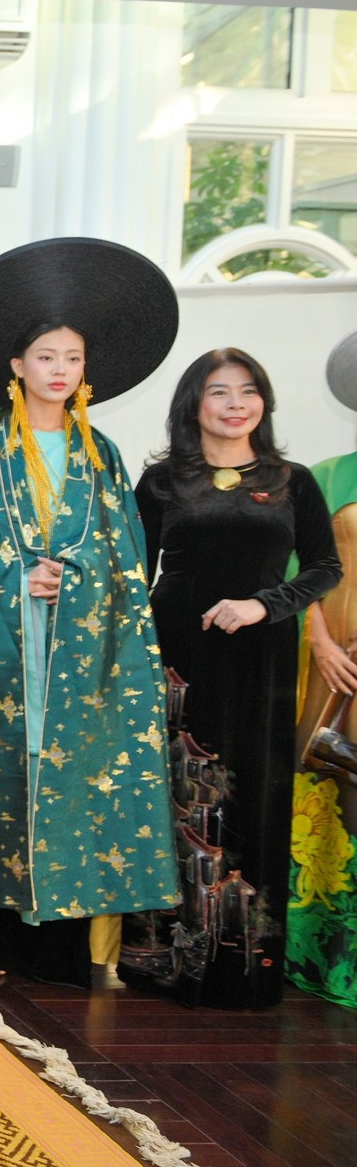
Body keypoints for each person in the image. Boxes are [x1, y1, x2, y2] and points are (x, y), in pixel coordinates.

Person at [0, 238, 179, 987]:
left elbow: (127, 559)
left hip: (80, 660)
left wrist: (74, 578)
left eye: (72, 358)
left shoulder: (102, 455)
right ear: (17, 365)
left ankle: (56, 953)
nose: (59, 369)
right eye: (46, 355)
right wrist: (18, 576)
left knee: (74, 784)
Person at [116, 350, 340, 1008]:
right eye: (219, 391)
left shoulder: (292, 480)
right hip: (177, 656)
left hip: (262, 659)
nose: (236, 403)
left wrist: (264, 605)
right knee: (177, 799)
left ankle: (246, 968)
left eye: (248, 391)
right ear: (194, 404)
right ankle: (164, 961)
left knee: (254, 797)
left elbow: (324, 567)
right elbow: (130, 572)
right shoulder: (162, 481)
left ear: (263, 403)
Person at [291, 329, 357, 1010]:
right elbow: (299, 568)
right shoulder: (329, 474)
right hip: (337, 663)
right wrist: (320, 643)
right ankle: (321, 951)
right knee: (333, 786)